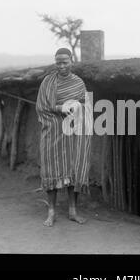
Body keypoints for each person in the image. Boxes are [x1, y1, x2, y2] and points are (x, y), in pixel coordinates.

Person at [36, 48, 92, 226]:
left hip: (72, 133)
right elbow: (41, 107)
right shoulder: (48, 82)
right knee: (51, 170)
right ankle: (51, 211)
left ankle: (73, 211)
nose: (61, 66)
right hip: (52, 133)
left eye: (65, 62)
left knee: (73, 170)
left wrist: (77, 107)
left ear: (71, 61)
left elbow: (85, 106)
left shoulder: (78, 83)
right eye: (58, 62)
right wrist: (60, 108)